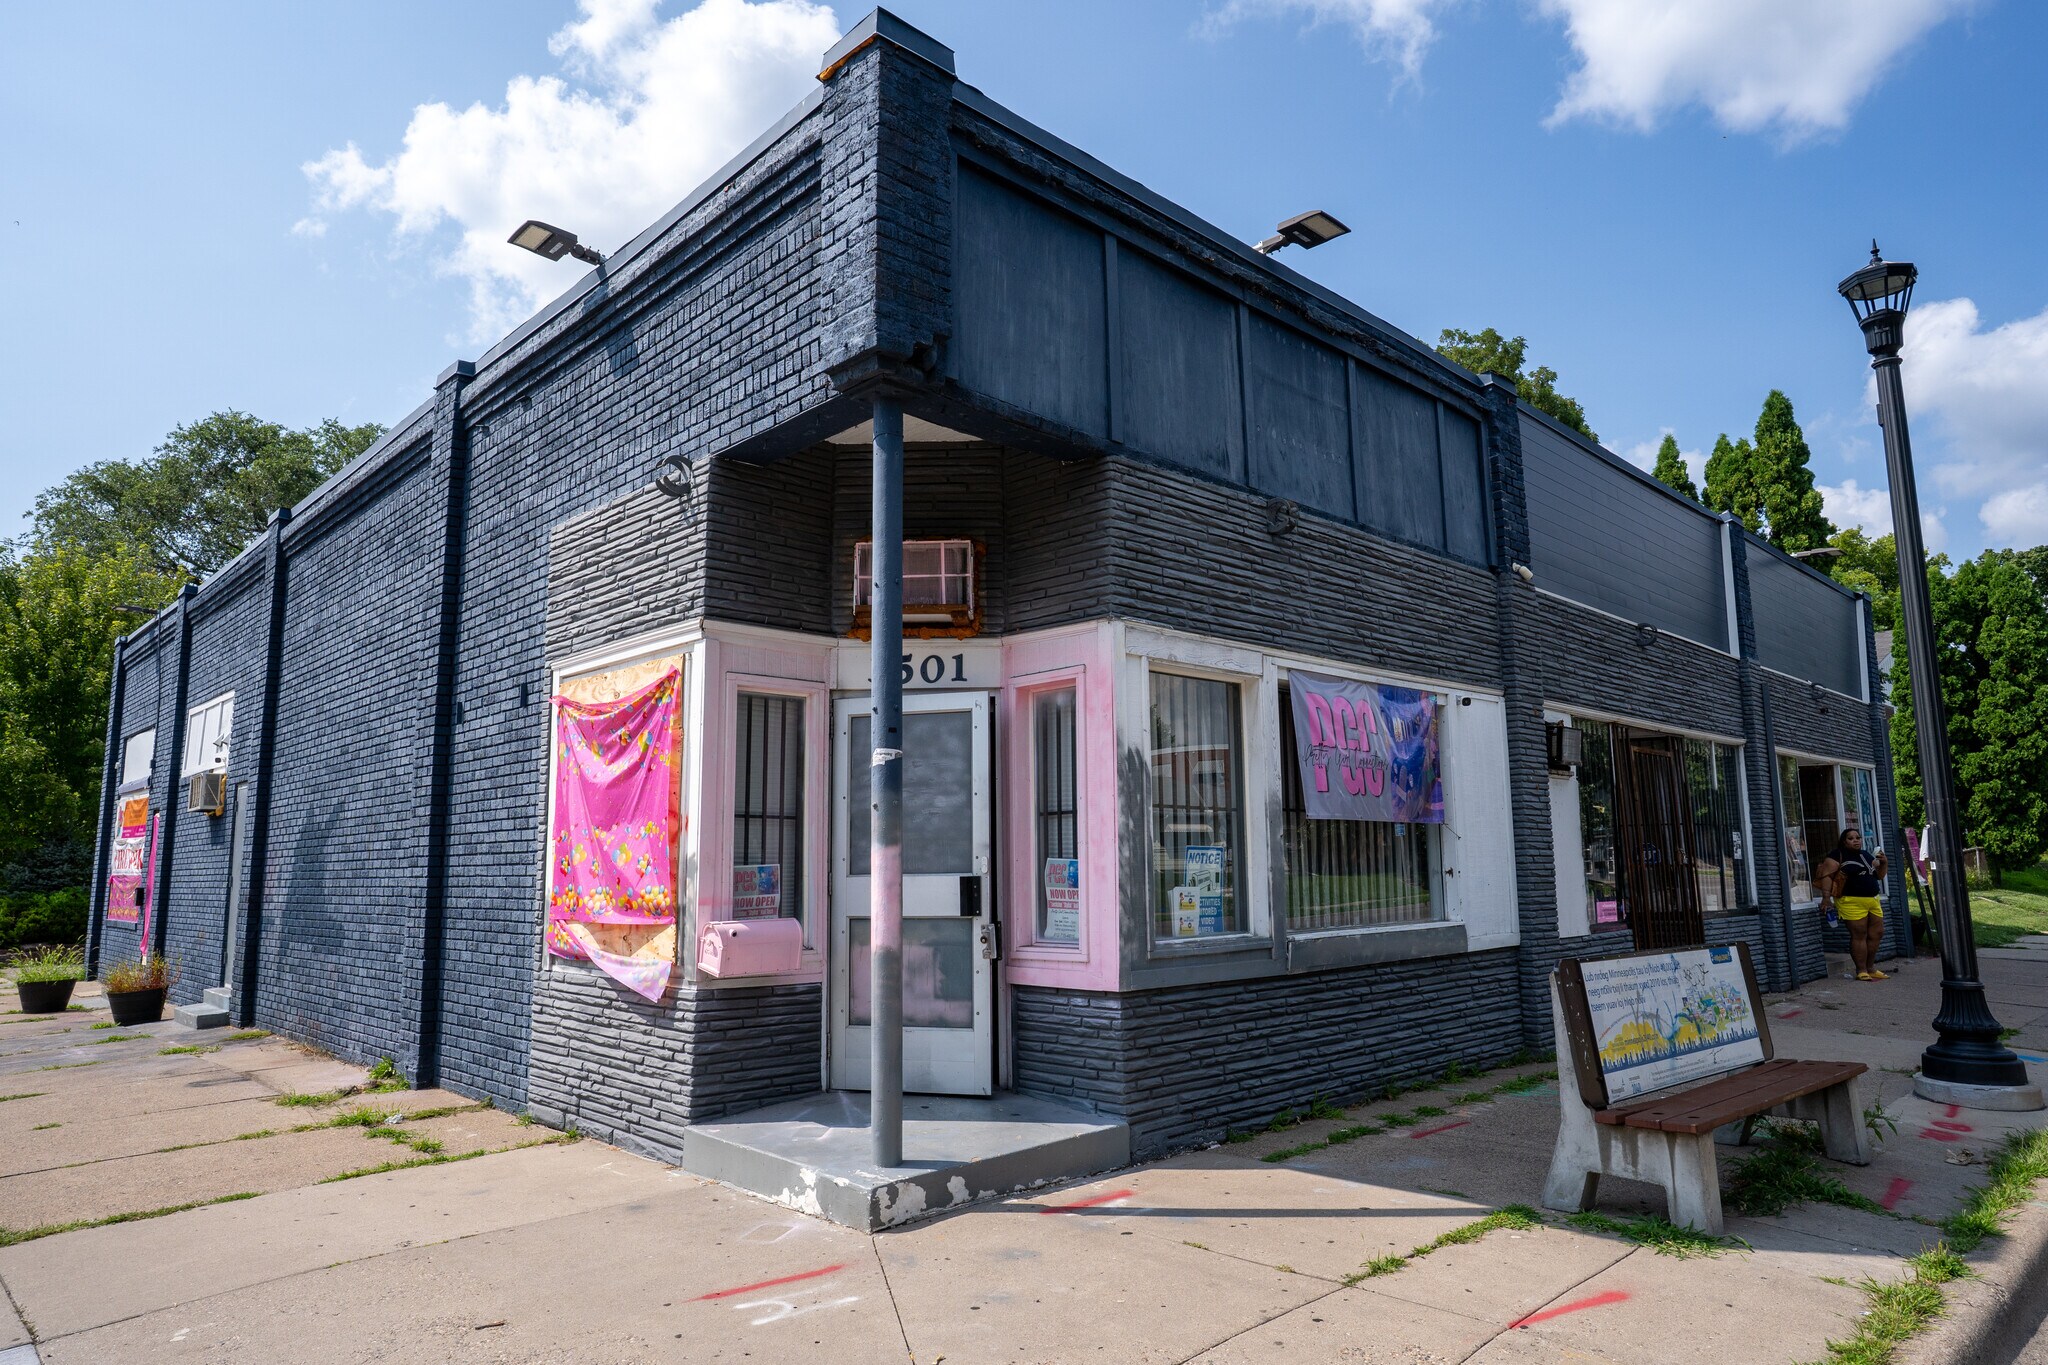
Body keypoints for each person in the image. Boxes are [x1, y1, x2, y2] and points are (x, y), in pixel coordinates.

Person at [1817, 827, 1889, 981]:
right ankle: (1861, 970)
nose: (1856, 840)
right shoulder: (1837, 855)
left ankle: (1871, 968)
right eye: (1851, 838)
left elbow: (1879, 876)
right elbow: (1827, 876)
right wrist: (1826, 898)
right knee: (1859, 934)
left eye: (1858, 837)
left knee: (1877, 933)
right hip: (1850, 900)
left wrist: (1883, 864)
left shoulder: (1866, 855)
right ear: (1844, 841)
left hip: (1872, 899)